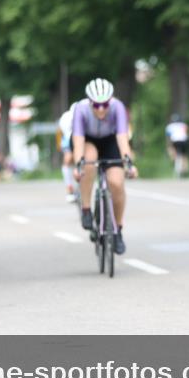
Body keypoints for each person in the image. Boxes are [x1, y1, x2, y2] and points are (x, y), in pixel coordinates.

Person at [71, 78, 139, 254]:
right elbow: (78, 141)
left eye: (105, 104)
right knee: (89, 159)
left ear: (110, 101)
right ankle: (86, 208)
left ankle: (117, 231)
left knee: (116, 183)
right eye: (96, 105)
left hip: (110, 140)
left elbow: (122, 138)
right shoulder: (80, 109)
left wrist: (128, 163)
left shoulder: (118, 107)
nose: (101, 109)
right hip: (88, 140)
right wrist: (78, 165)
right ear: (90, 102)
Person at [58, 105, 76, 202]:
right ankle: (69, 188)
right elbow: (63, 134)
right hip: (69, 139)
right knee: (68, 159)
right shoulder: (66, 117)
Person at [165, 113, 189, 177]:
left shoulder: (169, 126)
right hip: (184, 141)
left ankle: (174, 160)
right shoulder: (184, 125)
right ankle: (185, 169)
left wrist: (169, 145)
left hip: (175, 141)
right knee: (184, 155)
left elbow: (168, 137)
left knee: (172, 151)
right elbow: (186, 132)